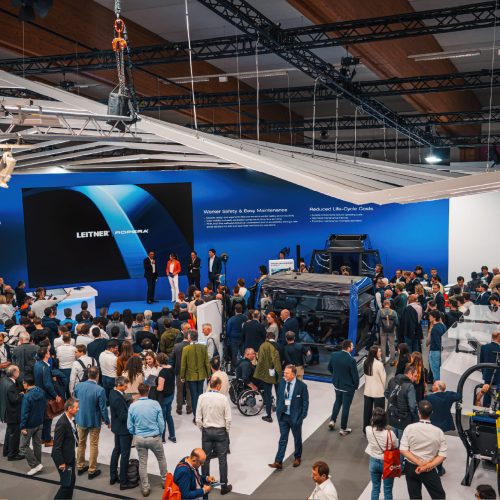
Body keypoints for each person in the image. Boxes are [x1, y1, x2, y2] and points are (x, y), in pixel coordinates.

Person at [400, 400, 447, 499]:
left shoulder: (409, 428)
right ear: (432, 413)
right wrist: (427, 466)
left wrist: (419, 463)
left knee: (414, 497)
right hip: (429, 469)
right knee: (439, 496)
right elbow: (442, 455)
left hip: (411, 468)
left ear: (418, 412)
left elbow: (403, 450)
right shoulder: (438, 432)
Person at [127, 383, 167, 497]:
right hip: (154, 437)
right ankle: (164, 481)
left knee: (142, 463)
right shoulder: (155, 404)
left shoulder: (133, 406)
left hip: (140, 438)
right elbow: (161, 423)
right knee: (161, 458)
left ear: (138, 392)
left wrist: (136, 433)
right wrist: (159, 433)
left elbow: (130, 426)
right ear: (148, 390)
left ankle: (145, 488)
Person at [196, 376, 233, 495]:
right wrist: (226, 431)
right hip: (221, 431)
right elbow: (228, 419)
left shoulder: (201, 397)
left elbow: (198, 418)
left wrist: (203, 429)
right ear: (218, 386)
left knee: (205, 459)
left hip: (207, 431)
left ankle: (205, 484)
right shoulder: (223, 398)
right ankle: (224, 487)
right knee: (222, 460)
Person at [269, 364, 309, 469]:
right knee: (283, 438)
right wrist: (279, 409)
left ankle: (297, 457)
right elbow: (279, 396)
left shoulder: (302, 386)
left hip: (295, 418)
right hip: (283, 416)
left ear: (293, 375)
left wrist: (302, 416)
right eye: (284, 373)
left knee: (297, 439)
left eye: (287, 373)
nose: (284, 375)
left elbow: (305, 402)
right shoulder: (282, 382)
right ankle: (278, 461)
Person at [74, 365, 109, 479]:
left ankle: (80, 466)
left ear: (88, 375)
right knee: (93, 445)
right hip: (94, 421)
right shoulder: (100, 390)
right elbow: (103, 408)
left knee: (81, 443)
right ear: (97, 375)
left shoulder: (78, 386)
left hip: (80, 419)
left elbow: (75, 401)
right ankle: (92, 470)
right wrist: (107, 421)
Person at [109, 376, 137, 491]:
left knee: (116, 451)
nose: (126, 388)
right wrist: (132, 411)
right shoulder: (117, 398)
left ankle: (113, 476)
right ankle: (124, 482)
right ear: (119, 385)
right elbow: (123, 416)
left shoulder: (112, 392)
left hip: (117, 428)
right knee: (125, 455)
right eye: (125, 386)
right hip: (124, 430)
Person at [365, 407, 398, 500]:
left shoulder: (368, 429)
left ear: (373, 418)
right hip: (387, 462)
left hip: (373, 461)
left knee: (375, 488)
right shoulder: (390, 434)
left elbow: (371, 426)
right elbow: (396, 445)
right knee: (387, 490)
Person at [327, 339, 359, 435]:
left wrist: (336, 376)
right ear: (348, 348)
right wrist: (356, 386)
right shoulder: (351, 360)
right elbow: (355, 376)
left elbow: (329, 368)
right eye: (352, 346)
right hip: (348, 388)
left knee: (337, 402)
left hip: (337, 385)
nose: (353, 347)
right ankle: (343, 428)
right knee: (346, 407)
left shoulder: (334, 355)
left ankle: (332, 420)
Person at [52, 398, 79, 500]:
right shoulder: (62, 424)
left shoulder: (71, 419)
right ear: (70, 409)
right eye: (76, 408)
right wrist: (61, 463)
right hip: (63, 459)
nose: (78, 409)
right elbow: (56, 447)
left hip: (69, 456)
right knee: (66, 484)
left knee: (71, 481)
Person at [34, 346, 62, 446]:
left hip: (39, 394)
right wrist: (55, 395)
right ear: (45, 355)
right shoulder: (45, 367)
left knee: (43, 417)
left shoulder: (37, 364)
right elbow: (47, 384)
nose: (49, 353)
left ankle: (43, 437)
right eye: (48, 352)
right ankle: (47, 439)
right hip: (46, 395)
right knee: (48, 417)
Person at [180, 330, 211, 419]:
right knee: (200, 395)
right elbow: (207, 362)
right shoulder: (203, 347)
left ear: (189, 337)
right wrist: (208, 374)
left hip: (190, 376)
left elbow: (183, 365)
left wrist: (182, 376)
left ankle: (196, 417)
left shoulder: (186, 349)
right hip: (201, 375)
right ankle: (202, 415)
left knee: (194, 397)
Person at [20, 373, 46, 475]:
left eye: (23, 383)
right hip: (40, 422)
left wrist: (23, 426)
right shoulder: (41, 392)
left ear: (26, 384)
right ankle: (38, 464)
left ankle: (35, 465)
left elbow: (24, 413)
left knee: (23, 446)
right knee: (37, 445)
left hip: (29, 425)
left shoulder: (27, 396)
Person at [254, 331, 282, 423]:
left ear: (266, 337)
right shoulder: (280, 346)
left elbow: (260, 360)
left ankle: (268, 416)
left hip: (267, 375)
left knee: (268, 394)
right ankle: (280, 412)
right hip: (278, 373)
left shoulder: (264, 345)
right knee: (279, 394)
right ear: (274, 337)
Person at [385, 365, 419, 439]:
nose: (416, 378)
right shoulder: (410, 386)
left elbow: (386, 393)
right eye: (415, 376)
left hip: (392, 416)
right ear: (409, 373)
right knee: (402, 442)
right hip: (404, 419)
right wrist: (416, 418)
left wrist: (395, 402)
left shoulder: (392, 380)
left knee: (394, 440)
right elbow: (412, 406)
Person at [363, 345, 387, 431]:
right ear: (375, 353)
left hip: (367, 391)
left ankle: (366, 429)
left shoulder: (365, 362)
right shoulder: (379, 364)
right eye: (379, 351)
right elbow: (383, 379)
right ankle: (379, 428)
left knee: (367, 412)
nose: (381, 352)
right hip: (378, 392)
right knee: (379, 413)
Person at [155, 353, 176, 443]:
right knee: (169, 416)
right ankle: (172, 436)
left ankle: (162, 438)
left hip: (163, 397)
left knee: (162, 417)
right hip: (171, 395)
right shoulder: (171, 368)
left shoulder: (162, 372)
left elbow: (160, 388)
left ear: (159, 361)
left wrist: (153, 386)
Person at [4, 364, 24, 461]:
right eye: (18, 371)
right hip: (14, 413)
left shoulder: (5, 381)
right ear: (14, 373)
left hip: (9, 412)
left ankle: (7, 451)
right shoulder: (11, 385)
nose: (19, 373)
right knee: (14, 435)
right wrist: (21, 395)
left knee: (9, 433)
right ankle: (13, 455)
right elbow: (14, 400)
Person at [173, 329, 192, 415]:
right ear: (189, 337)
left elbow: (172, 359)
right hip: (190, 372)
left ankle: (179, 408)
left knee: (179, 390)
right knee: (189, 390)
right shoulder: (192, 346)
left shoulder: (176, 346)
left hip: (179, 371)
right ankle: (189, 408)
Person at [376, 299, 398, 365]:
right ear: (390, 304)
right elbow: (397, 322)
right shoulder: (393, 312)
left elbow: (377, 321)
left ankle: (383, 361)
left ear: (383, 304)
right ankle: (392, 361)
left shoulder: (380, 311)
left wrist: (381, 325)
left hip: (382, 329)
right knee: (392, 345)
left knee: (383, 345)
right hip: (391, 330)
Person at [427, 310, 446, 382]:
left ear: (434, 317)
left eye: (430, 316)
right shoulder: (442, 326)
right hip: (441, 351)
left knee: (435, 370)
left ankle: (437, 384)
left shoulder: (434, 329)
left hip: (434, 351)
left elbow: (437, 342)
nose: (429, 317)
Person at [226, 304, 246, 372]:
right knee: (243, 354)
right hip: (243, 339)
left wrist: (228, 338)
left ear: (235, 310)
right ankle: (243, 368)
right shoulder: (245, 318)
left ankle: (233, 369)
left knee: (234, 355)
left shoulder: (231, 319)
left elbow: (228, 330)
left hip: (234, 340)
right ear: (242, 310)